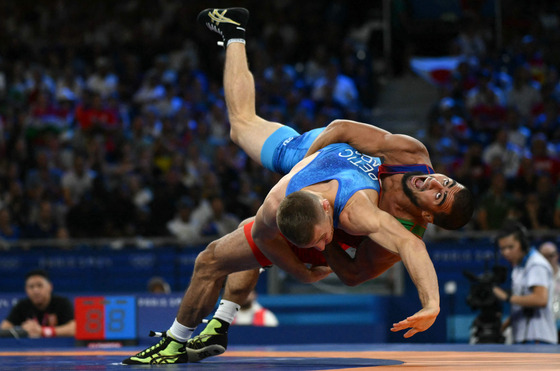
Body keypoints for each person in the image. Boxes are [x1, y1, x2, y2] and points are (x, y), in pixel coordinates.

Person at [122, 7, 473, 365]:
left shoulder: (391, 224)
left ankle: (214, 326)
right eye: (446, 181)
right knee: (241, 128)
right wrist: (308, 162)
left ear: (429, 216)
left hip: (333, 180)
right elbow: (341, 129)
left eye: (439, 194)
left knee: (252, 226)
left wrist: (431, 304)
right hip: (322, 153)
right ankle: (235, 33)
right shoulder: (412, 155)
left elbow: (378, 262)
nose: (435, 181)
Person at [492, 222, 558, 344]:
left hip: (539, 339)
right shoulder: (518, 266)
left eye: (510, 247)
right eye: (502, 248)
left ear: (522, 244)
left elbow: (540, 299)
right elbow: (521, 304)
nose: (506, 252)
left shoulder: (536, 265)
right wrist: (505, 325)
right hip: (524, 338)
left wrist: (506, 297)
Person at [0, 269, 75, 338]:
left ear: (50, 287)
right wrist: (22, 330)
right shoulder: (21, 305)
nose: (36, 291)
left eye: (40, 285)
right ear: (26, 290)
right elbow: (4, 328)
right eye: (31, 287)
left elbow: (74, 328)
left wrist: (43, 331)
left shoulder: (62, 303)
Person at [538, 241, 560, 337]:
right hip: (543, 324)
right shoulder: (536, 278)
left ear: (557, 255)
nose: (549, 259)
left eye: (551, 255)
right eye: (545, 256)